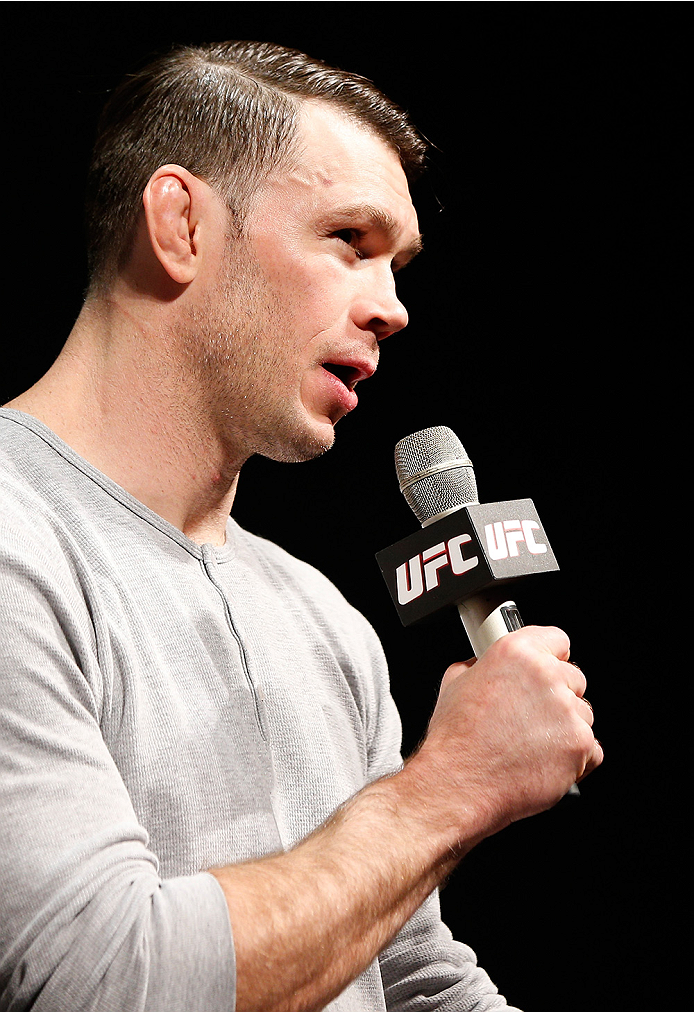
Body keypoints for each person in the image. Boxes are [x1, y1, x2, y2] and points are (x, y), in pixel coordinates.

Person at [0, 40, 601, 1011]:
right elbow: (95, 977)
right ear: (181, 224)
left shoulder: (323, 618)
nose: (395, 309)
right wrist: (443, 792)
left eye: (398, 266)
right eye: (350, 240)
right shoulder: (17, 542)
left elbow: (406, 974)